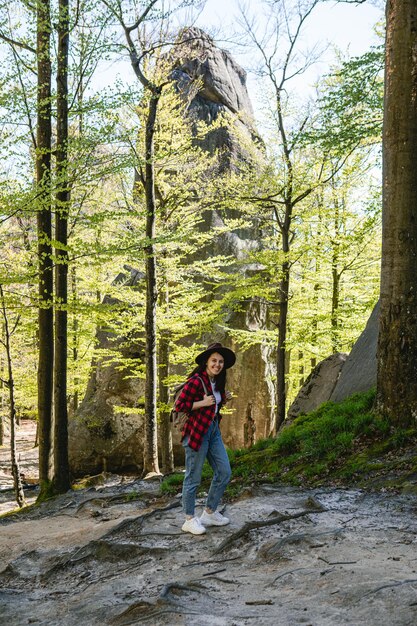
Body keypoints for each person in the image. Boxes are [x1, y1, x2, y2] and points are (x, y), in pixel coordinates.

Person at [175, 342, 236, 535]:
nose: (217, 364)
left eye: (220, 362)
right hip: (196, 433)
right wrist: (202, 403)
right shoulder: (195, 381)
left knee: (224, 471)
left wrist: (222, 398)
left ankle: (209, 512)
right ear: (206, 362)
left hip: (212, 431)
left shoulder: (217, 382)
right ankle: (189, 519)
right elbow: (179, 405)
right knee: (193, 477)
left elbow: (213, 406)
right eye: (214, 361)